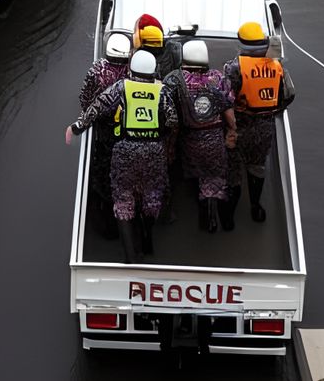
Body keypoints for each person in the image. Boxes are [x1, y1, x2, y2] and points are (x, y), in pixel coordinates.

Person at [67, 47, 176, 261]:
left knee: (123, 199)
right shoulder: (162, 90)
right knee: (151, 197)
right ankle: (147, 240)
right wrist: (160, 138)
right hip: (154, 150)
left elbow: (96, 108)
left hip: (125, 150)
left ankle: (130, 256)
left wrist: (76, 127)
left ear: (132, 69)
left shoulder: (121, 87)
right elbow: (172, 120)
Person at [224, 21, 295, 228]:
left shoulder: (234, 67)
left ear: (242, 44)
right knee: (257, 167)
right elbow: (290, 94)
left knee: (234, 170)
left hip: (239, 128)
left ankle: (229, 218)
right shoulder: (277, 66)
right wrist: (273, 111)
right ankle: (256, 207)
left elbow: (225, 99)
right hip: (264, 128)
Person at [165, 39, 238, 232]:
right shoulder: (217, 78)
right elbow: (228, 110)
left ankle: (205, 217)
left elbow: (168, 112)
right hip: (214, 137)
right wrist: (232, 131)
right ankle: (217, 217)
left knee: (196, 174)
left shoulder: (174, 80)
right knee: (214, 178)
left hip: (189, 139)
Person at [80, 31, 131, 237]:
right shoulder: (133, 71)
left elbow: (85, 100)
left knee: (103, 174)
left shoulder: (97, 70)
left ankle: (106, 219)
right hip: (128, 130)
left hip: (104, 131)